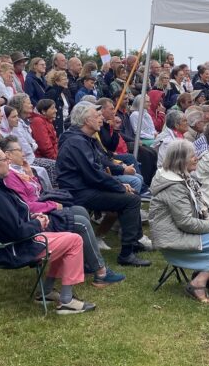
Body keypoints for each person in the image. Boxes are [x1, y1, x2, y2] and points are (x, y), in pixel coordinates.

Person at [0, 146, 95, 315]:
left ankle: (47, 291)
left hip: (1, 245)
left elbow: (13, 219)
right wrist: (38, 223)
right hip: (13, 248)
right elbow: (17, 231)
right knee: (74, 240)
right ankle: (66, 301)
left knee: (66, 237)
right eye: (4, 160)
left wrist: (33, 217)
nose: (8, 162)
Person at [0, 136, 125, 287]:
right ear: (8, 155)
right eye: (19, 150)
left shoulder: (17, 172)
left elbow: (35, 195)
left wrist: (31, 176)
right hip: (33, 221)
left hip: (37, 215)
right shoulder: (10, 177)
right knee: (80, 223)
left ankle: (87, 262)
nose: (23, 153)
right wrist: (53, 206)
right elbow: (27, 206)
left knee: (80, 211)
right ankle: (101, 272)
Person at [56, 102, 151, 267]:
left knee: (132, 195)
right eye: (97, 116)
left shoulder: (83, 139)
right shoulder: (77, 142)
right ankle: (126, 254)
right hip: (78, 192)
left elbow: (99, 165)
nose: (101, 119)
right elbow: (93, 174)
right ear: (86, 120)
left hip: (85, 187)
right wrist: (119, 185)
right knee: (132, 200)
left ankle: (133, 242)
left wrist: (117, 181)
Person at [149, 140, 209, 303]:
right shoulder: (174, 186)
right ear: (180, 160)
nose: (196, 158)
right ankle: (197, 283)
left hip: (179, 230)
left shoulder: (182, 177)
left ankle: (201, 272)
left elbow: (196, 209)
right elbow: (186, 223)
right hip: (172, 238)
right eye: (192, 156)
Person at [45, 69, 71, 137]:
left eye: (66, 79)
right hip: (57, 125)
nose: (66, 81)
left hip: (65, 125)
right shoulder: (52, 92)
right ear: (56, 81)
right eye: (64, 79)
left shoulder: (64, 92)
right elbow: (47, 110)